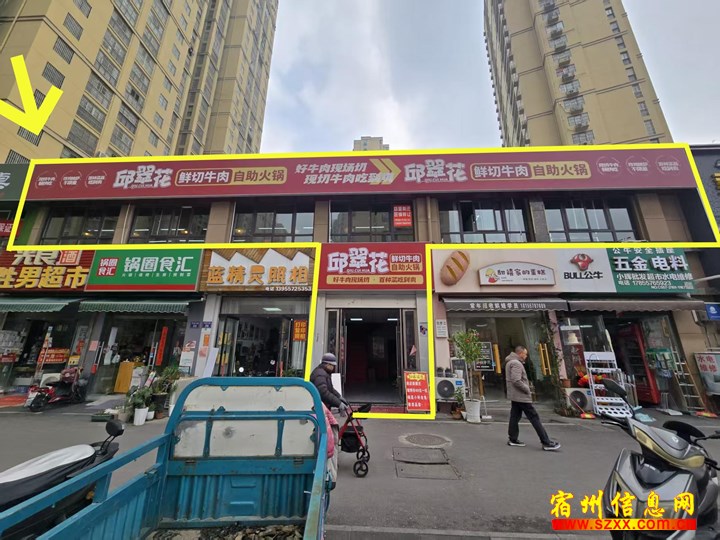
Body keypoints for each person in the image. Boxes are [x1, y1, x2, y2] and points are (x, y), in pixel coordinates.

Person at [505, 345, 561, 451]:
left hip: (516, 395)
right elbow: (516, 380)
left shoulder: (510, 362)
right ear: (520, 353)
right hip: (521, 395)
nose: (526, 356)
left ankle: (513, 439)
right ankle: (546, 442)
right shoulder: (516, 363)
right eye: (525, 354)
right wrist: (527, 389)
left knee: (515, 416)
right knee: (534, 417)